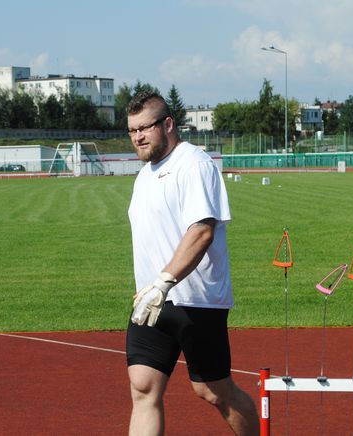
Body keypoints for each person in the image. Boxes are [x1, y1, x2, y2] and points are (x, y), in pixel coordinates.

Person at [125, 91, 259, 436]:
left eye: (145, 128)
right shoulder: (145, 175)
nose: (138, 136)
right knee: (142, 387)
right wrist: (152, 289)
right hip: (151, 302)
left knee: (213, 390)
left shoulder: (194, 164)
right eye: (132, 130)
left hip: (195, 301)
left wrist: (164, 281)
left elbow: (201, 232)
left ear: (167, 124)